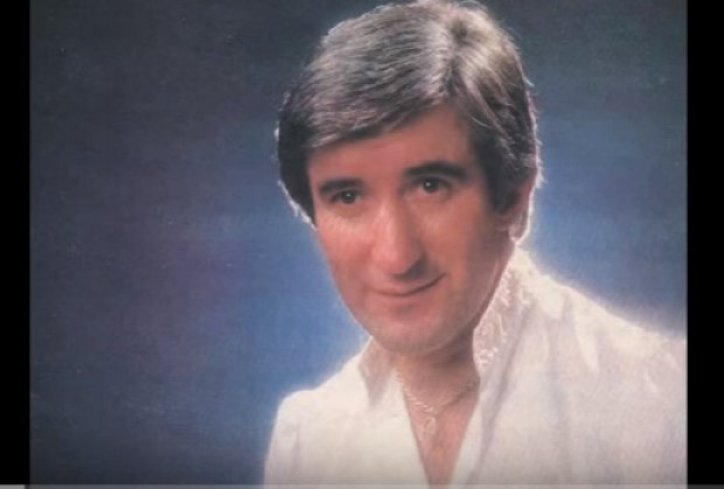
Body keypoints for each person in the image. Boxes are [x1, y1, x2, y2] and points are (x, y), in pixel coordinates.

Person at [264, 0, 686, 485]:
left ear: (512, 196)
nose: (397, 257)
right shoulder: (309, 437)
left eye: (430, 187)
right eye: (348, 196)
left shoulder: (663, 400)